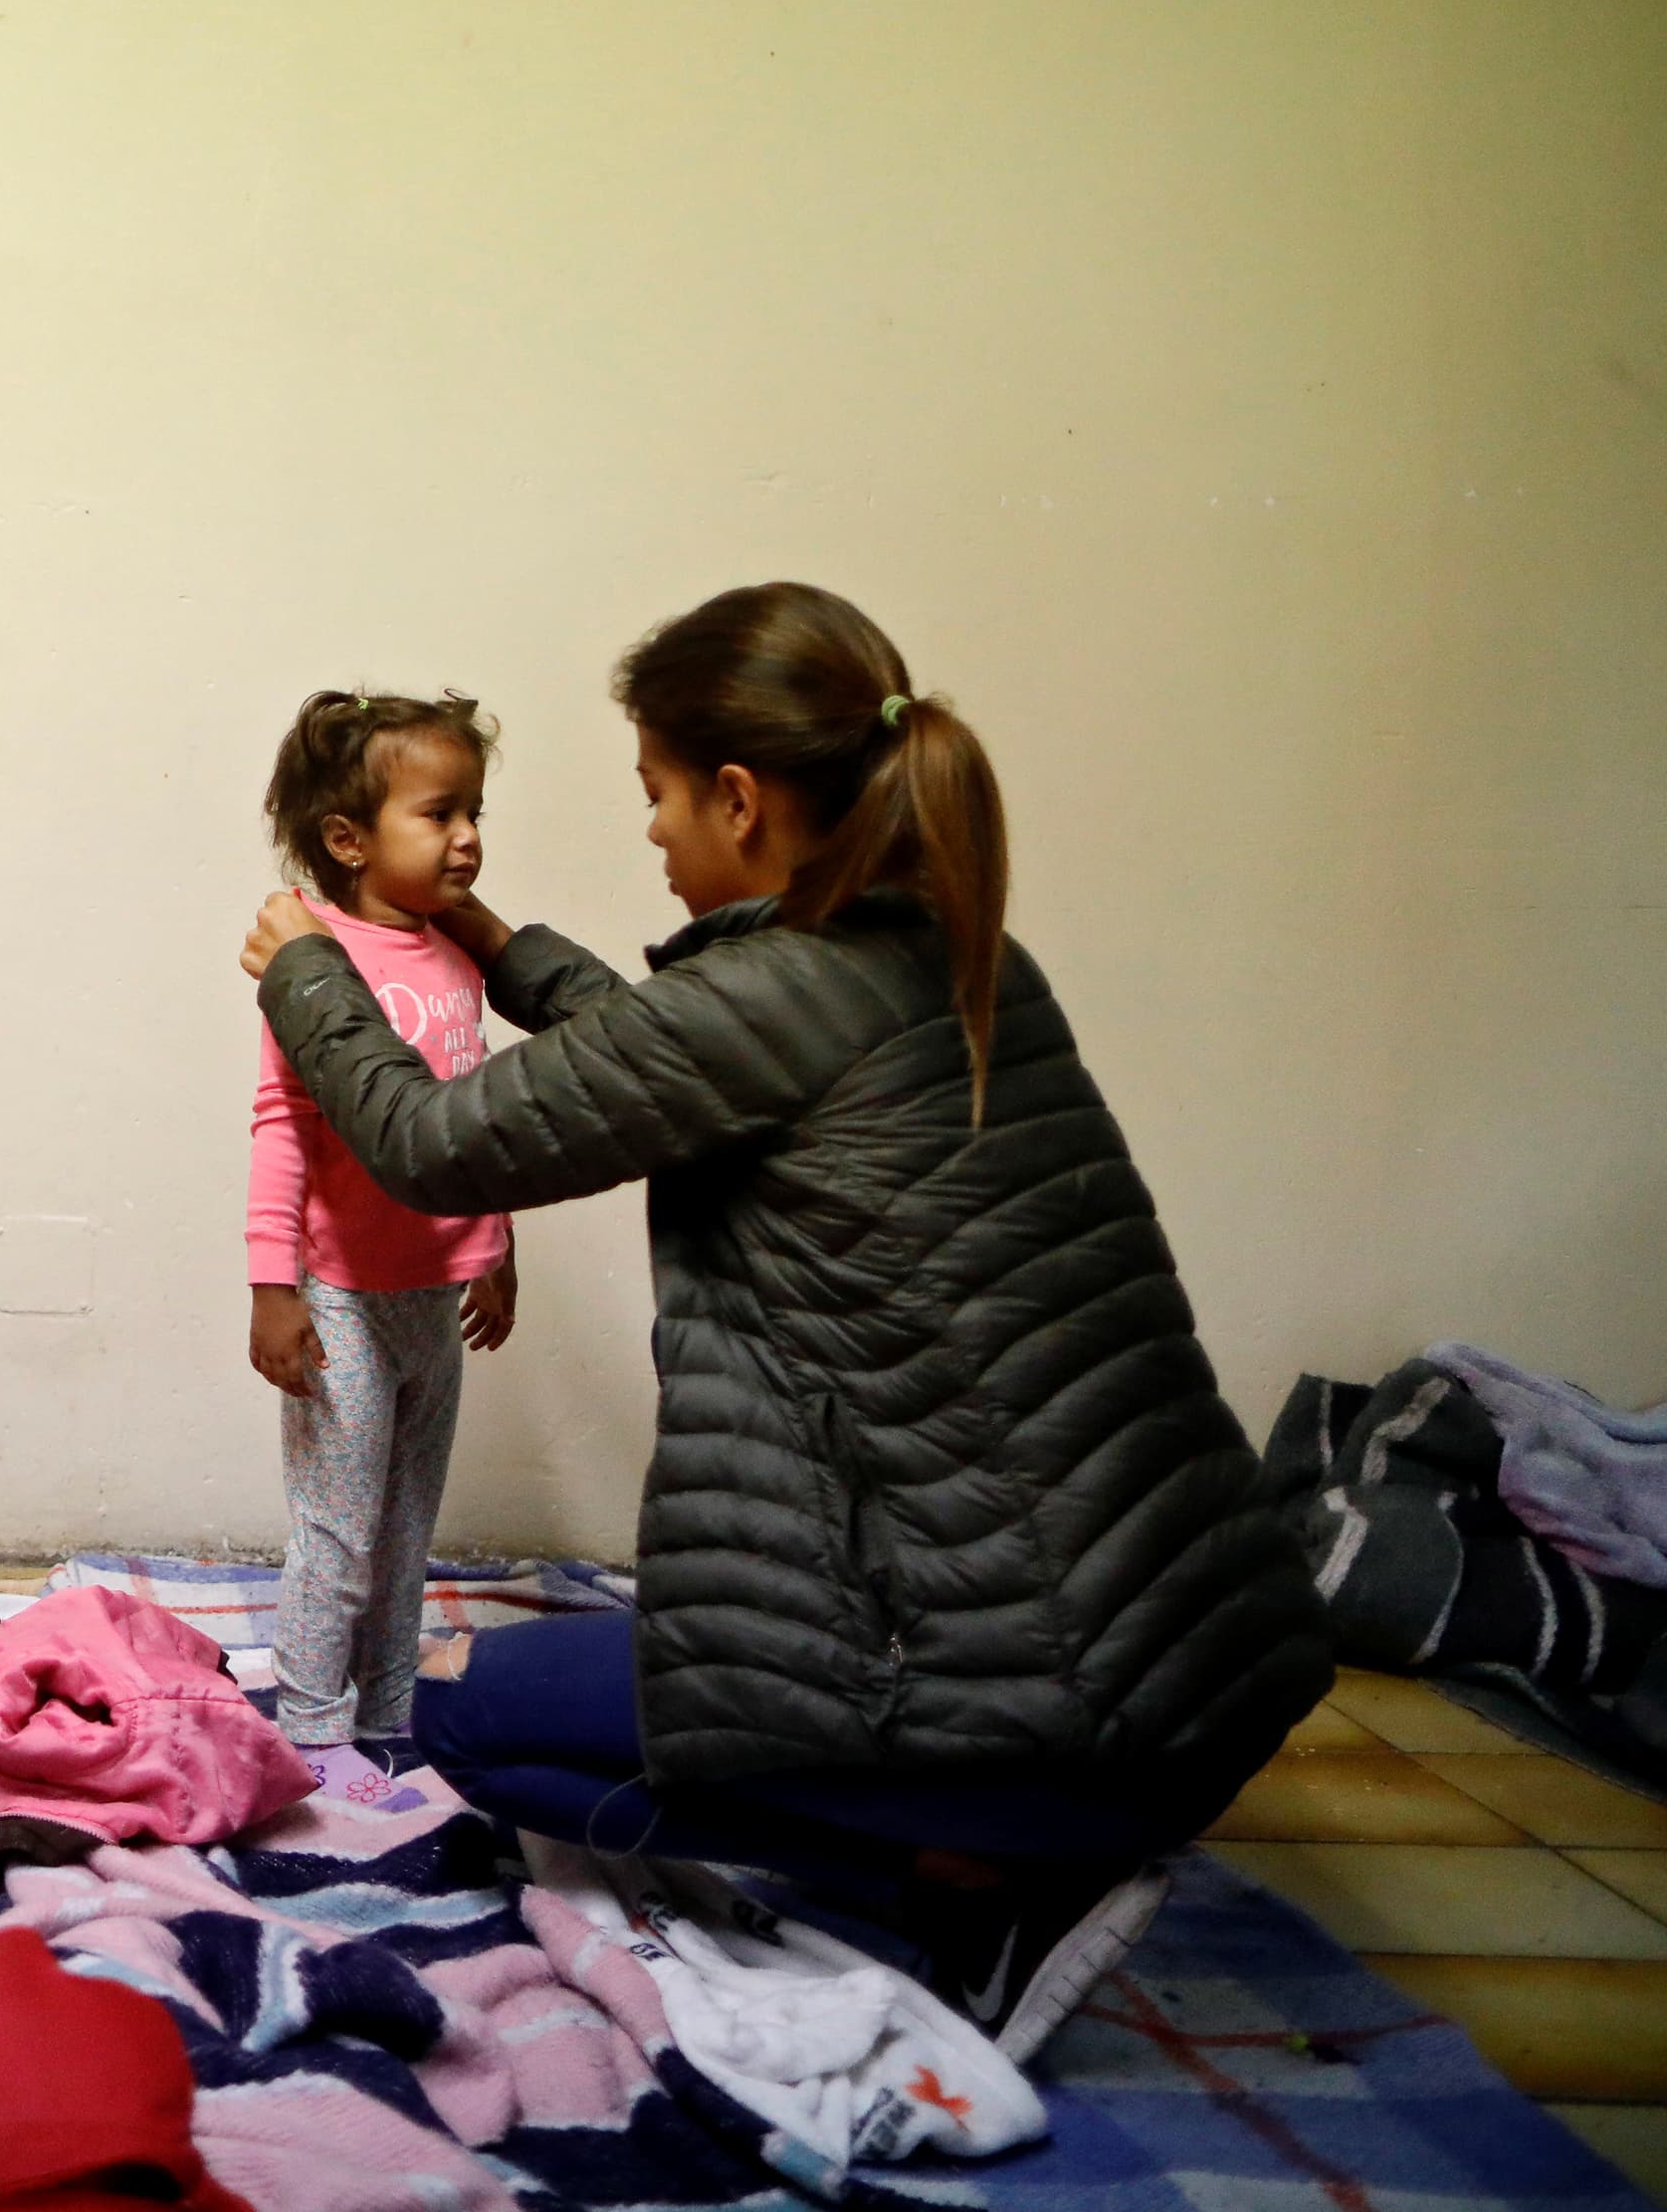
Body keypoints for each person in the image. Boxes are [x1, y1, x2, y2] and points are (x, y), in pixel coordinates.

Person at [237, 582, 1331, 2062]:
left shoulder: (766, 1000)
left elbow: (430, 1145)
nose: (651, 832)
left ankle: (973, 1878)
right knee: (588, 1666)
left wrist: (305, 969)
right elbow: (656, 1043)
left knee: (468, 1719)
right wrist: (489, 941)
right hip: (1203, 1674)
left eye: (659, 795)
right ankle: (984, 1838)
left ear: (741, 802)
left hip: (1036, 1718)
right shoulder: (958, 958)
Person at [244, 691, 519, 1806]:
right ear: (349, 838)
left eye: (475, 811)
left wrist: (496, 1250)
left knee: (409, 1523)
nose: (468, 837)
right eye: (439, 813)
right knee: (337, 1522)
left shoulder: (460, 952)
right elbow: (281, 1125)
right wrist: (274, 1288)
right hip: (343, 1296)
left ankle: (390, 1709)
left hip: (433, 1297)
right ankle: (309, 1725)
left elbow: (486, 1113)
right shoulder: (310, 953)